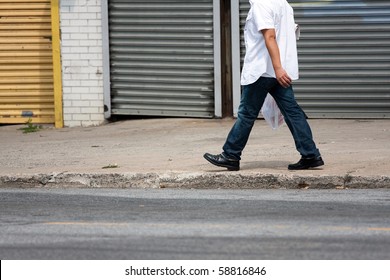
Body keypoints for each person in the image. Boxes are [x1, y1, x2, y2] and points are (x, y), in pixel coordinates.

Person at [204, 0, 324, 171]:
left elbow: (270, 35)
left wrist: (277, 68)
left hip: (263, 70)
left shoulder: (262, 4)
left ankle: (230, 155)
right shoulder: (283, 3)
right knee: (292, 112)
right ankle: (311, 154)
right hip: (277, 71)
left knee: (246, 113)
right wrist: (280, 69)